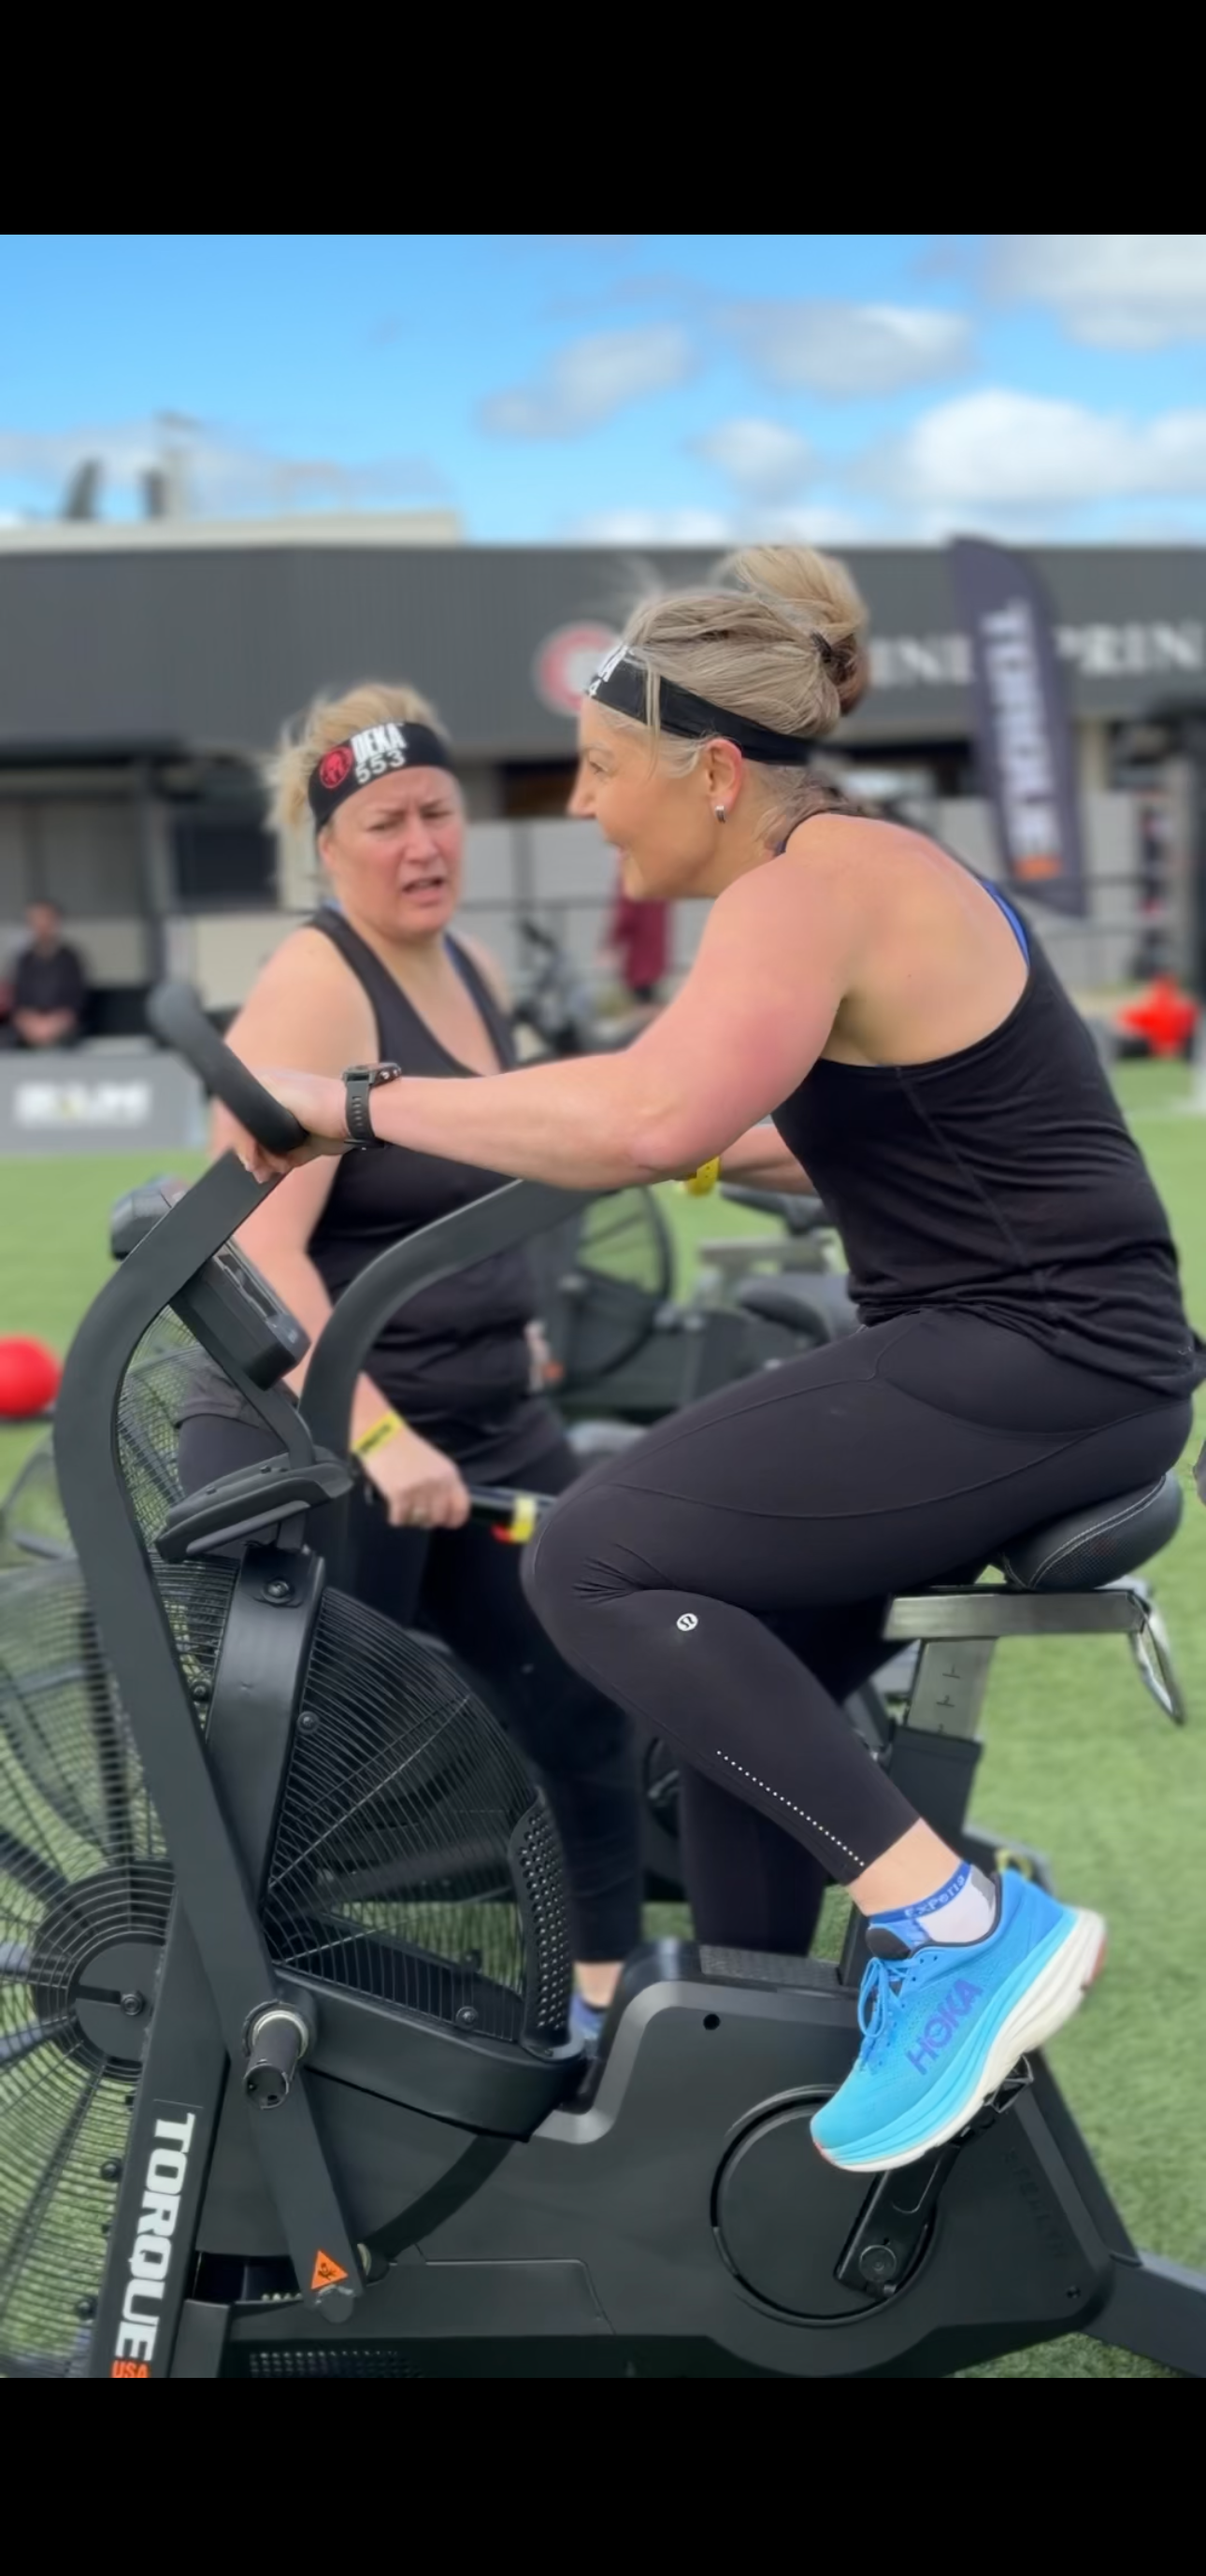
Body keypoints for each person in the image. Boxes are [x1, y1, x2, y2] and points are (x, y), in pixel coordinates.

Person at [223, 548, 1203, 2177]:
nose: (589, 812)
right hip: (1047, 1348)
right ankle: (744, 2083)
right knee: (722, 1655)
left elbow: (642, 1112)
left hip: (1046, 1354)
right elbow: (765, 1125)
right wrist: (678, 1145)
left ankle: (957, 1927)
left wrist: (346, 1099)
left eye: (603, 774)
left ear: (716, 771)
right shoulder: (850, 876)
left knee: (603, 1555)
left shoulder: (805, 886)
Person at [175, 683, 643, 2047]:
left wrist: (517, 1317)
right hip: (318, 1436)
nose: (422, 843)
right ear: (327, 845)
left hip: (480, 1418)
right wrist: (376, 1437)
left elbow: (485, 1174)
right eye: (385, 822)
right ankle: (270, 2065)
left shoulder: (471, 969)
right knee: (315, 1791)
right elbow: (261, 1257)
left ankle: (605, 2027)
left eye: (438, 811)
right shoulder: (314, 984)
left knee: (587, 1697)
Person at [4, 901, 89, 1048]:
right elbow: (17, 999)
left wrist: (54, 1023)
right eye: (35, 920)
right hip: (28, 1026)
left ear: (56, 922)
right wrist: (30, 1023)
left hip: (62, 1025)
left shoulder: (70, 958)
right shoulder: (23, 959)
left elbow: (77, 999)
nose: (41, 925)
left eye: (46, 919)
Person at [603, 859, 670, 1008]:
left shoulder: (631, 875)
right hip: (655, 955)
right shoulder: (658, 876)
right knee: (651, 1002)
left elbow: (625, 915)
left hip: (637, 955)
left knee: (642, 1007)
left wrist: (611, 942)